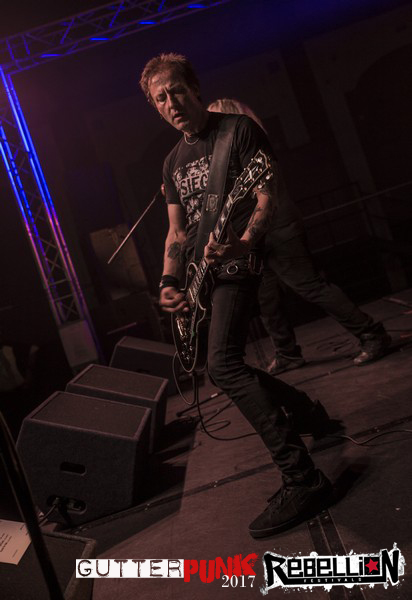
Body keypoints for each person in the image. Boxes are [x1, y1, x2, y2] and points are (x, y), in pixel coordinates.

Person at [139, 53, 333, 538]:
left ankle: (303, 478)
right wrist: (168, 282)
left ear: (194, 87)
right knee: (226, 366)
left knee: (223, 367)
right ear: (155, 108)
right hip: (201, 274)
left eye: (176, 90)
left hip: (238, 260)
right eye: (160, 98)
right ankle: (309, 413)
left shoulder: (237, 131)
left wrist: (244, 242)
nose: (171, 102)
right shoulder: (171, 162)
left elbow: (267, 196)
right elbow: (176, 232)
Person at [208, 98, 392, 375]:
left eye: (216, 121)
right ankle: (287, 353)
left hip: (279, 227)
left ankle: (372, 333)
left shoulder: (251, 145)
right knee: (267, 298)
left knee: (310, 286)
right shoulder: (226, 155)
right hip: (254, 237)